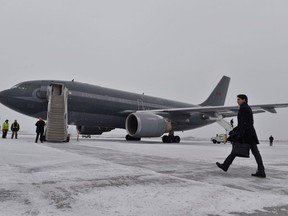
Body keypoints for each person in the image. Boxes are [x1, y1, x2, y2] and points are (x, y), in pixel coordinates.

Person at [216, 94, 266, 178]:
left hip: (246, 134)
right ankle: (261, 170)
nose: (237, 101)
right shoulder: (247, 108)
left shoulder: (243, 108)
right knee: (254, 152)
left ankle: (225, 165)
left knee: (236, 149)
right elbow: (245, 123)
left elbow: (244, 123)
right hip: (249, 133)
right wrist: (235, 130)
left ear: (244, 100)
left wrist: (239, 135)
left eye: (239, 99)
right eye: (237, 99)